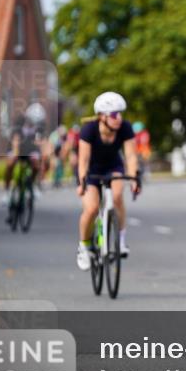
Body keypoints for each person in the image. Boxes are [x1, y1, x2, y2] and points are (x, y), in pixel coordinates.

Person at [76, 91, 141, 271]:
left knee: (118, 195)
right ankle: (84, 246)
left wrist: (134, 178)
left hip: (113, 167)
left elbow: (130, 156)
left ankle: (120, 240)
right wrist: (82, 183)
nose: (118, 118)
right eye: (114, 114)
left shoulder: (125, 128)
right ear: (102, 116)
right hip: (91, 170)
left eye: (120, 113)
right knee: (91, 208)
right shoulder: (89, 130)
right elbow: (83, 160)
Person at [2, 103, 47, 206]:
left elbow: (40, 141)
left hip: (30, 147)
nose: (35, 124)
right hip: (16, 144)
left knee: (36, 163)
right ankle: (7, 192)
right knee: (11, 163)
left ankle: (31, 185)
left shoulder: (41, 125)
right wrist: (16, 154)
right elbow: (16, 140)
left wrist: (43, 156)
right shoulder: (20, 120)